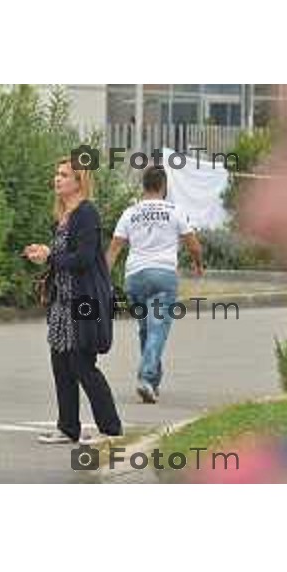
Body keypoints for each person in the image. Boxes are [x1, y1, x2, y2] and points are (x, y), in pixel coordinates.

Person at [24, 158, 122, 444]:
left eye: (64, 175)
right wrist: (44, 252)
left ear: (79, 181)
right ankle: (68, 428)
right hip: (62, 302)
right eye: (56, 173)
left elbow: (84, 257)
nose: (57, 179)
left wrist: (50, 257)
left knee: (82, 364)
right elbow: (64, 255)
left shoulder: (86, 213)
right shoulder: (63, 215)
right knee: (61, 364)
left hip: (85, 299)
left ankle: (110, 429)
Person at [107, 165, 203, 404]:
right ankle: (147, 378)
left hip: (135, 278)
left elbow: (114, 249)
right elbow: (193, 245)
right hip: (162, 277)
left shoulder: (130, 213)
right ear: (164, 186)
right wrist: (198, 264)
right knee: (158, 328)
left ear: (144, 185)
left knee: (146, 329)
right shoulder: (175, 211)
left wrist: (103, 278)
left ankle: (152, 382)